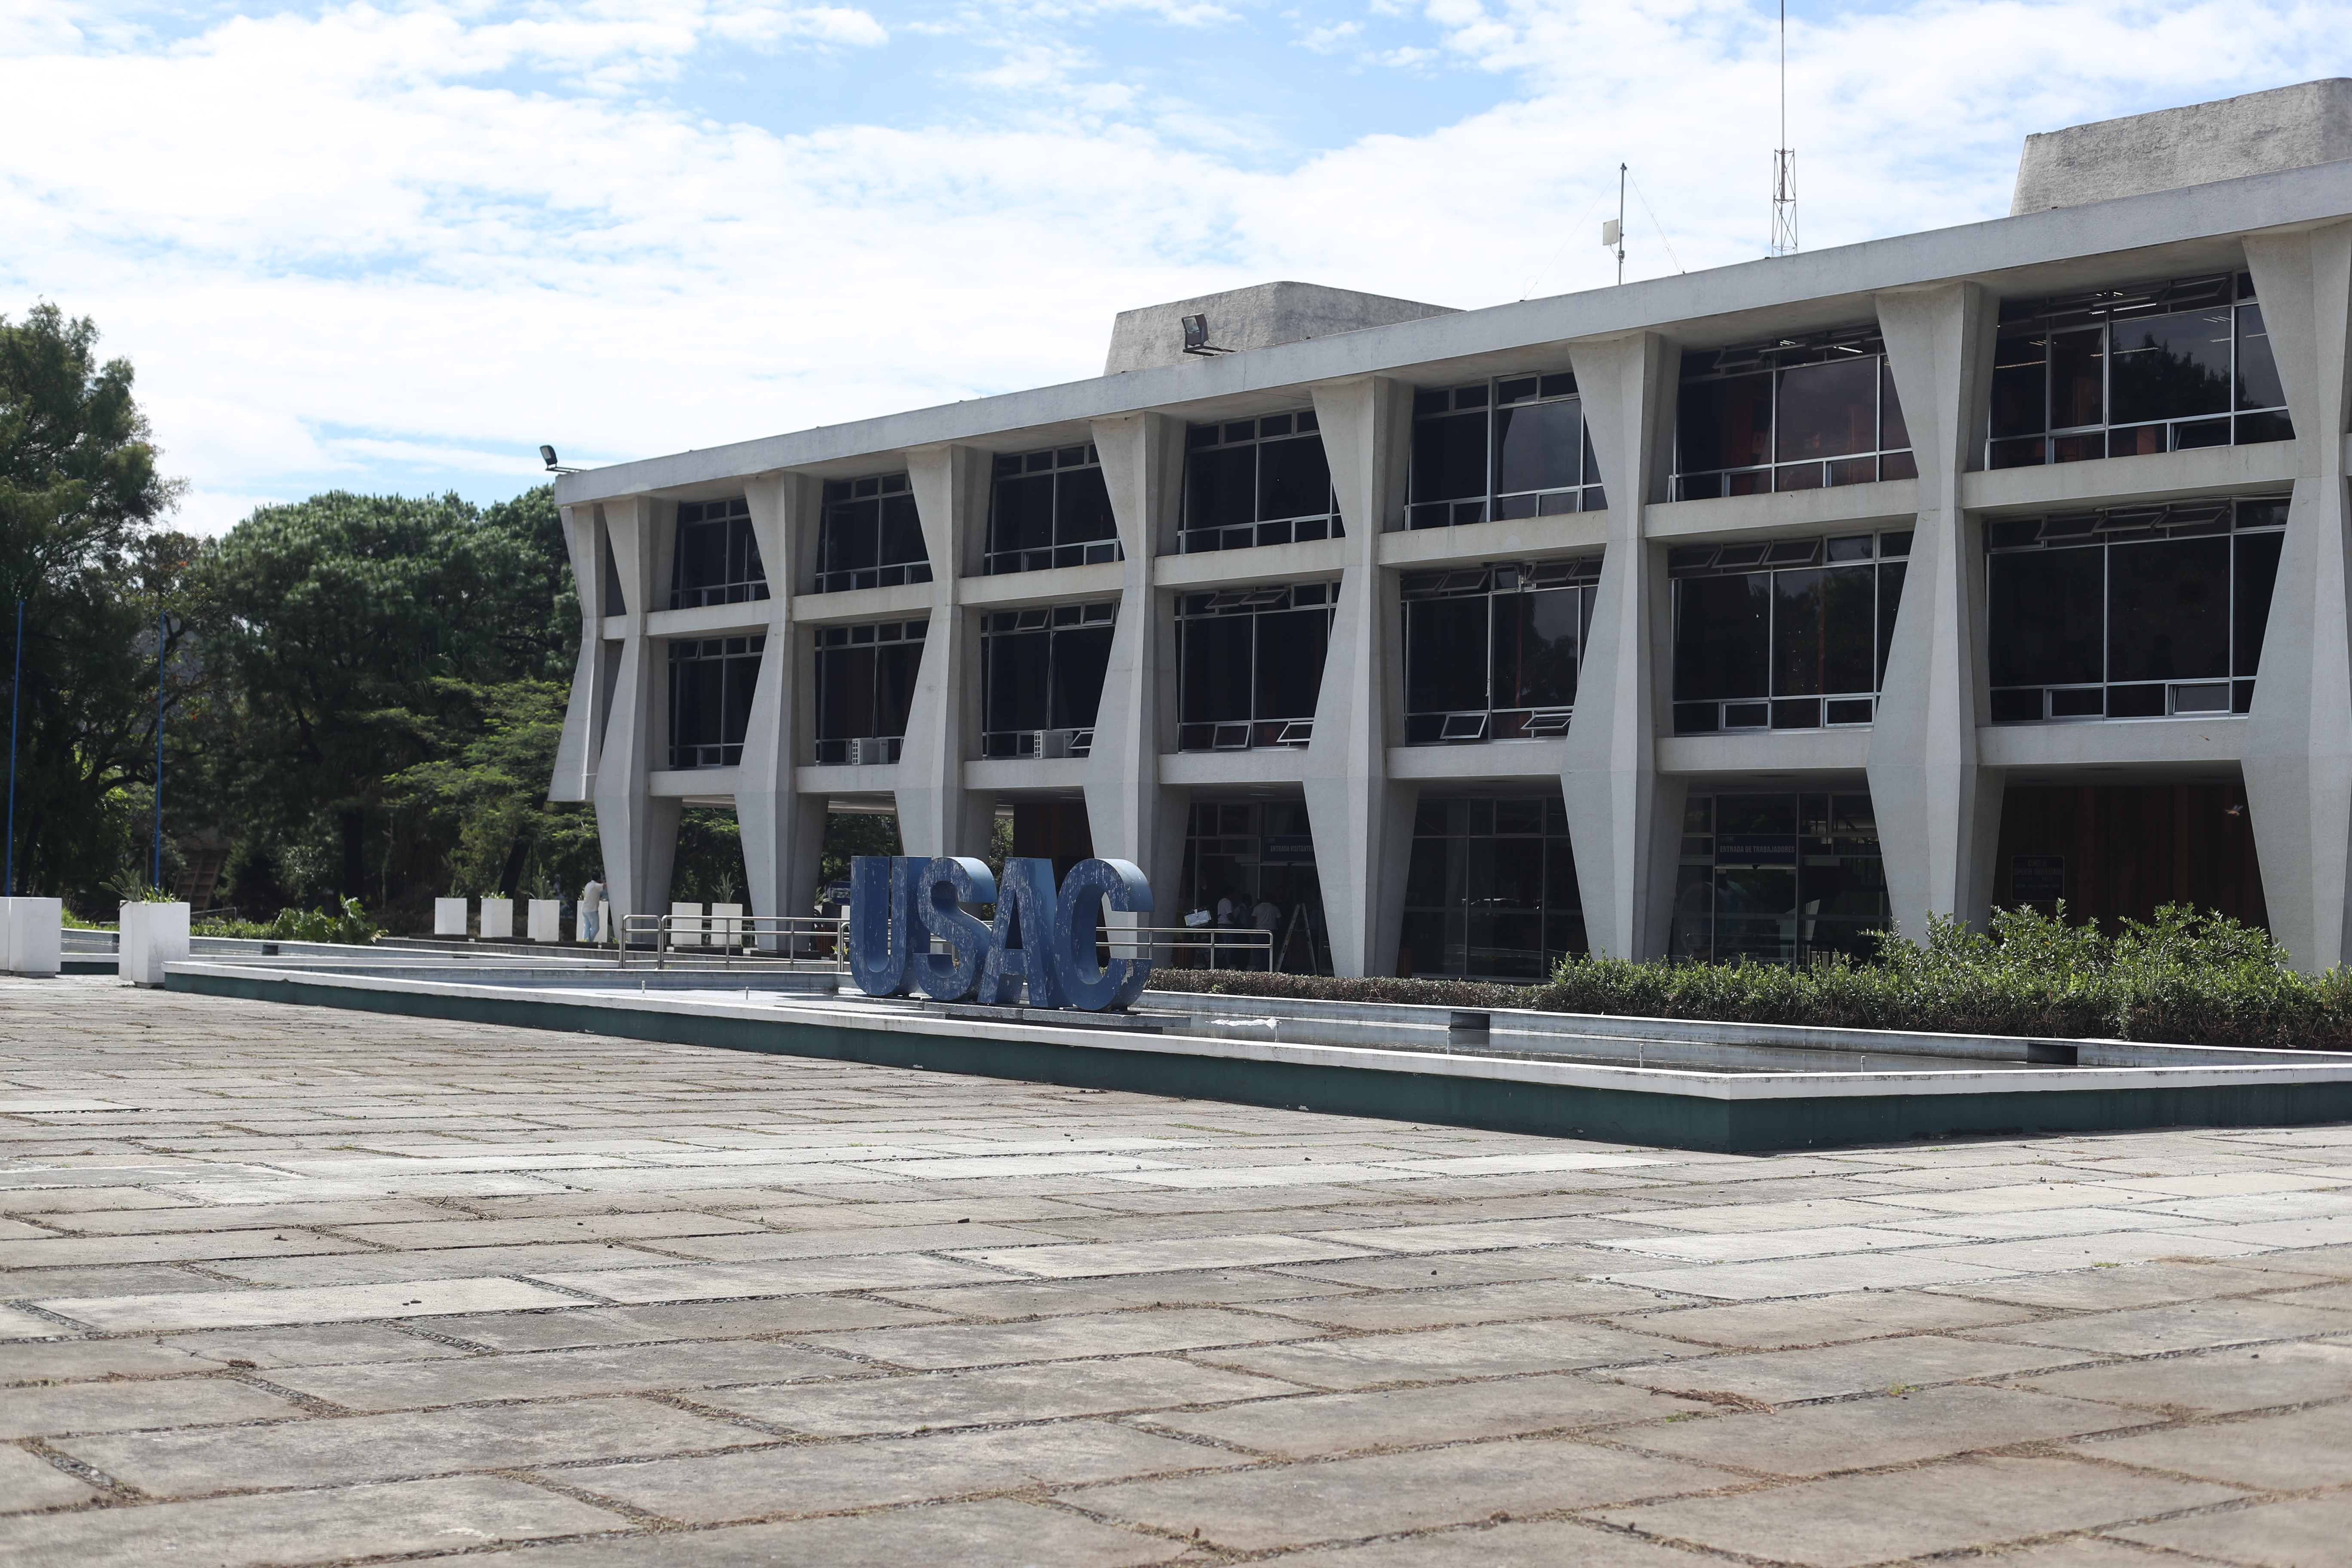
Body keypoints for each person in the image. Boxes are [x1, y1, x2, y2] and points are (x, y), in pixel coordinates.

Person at [1251, 896, 1280, 970]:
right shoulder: (1275, 908)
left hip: (1260, 931)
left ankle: (1259, 967)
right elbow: (1280, 920)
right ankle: (1268, 967)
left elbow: (1253, 920)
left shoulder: (1257, 908)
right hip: (1272, 931)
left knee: (1258, 950)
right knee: (1269, 950)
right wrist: (1282, 931)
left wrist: (1251, 930)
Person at [579, 873, 606, 944]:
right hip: (592, 910)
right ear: (599, 879)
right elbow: (605, 886)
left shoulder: (588, 885)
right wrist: (602, 882)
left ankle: (585, 942)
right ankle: (589, 942)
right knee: (596, 928)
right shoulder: (596, 886)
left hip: (584, 909)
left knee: (587, 928)